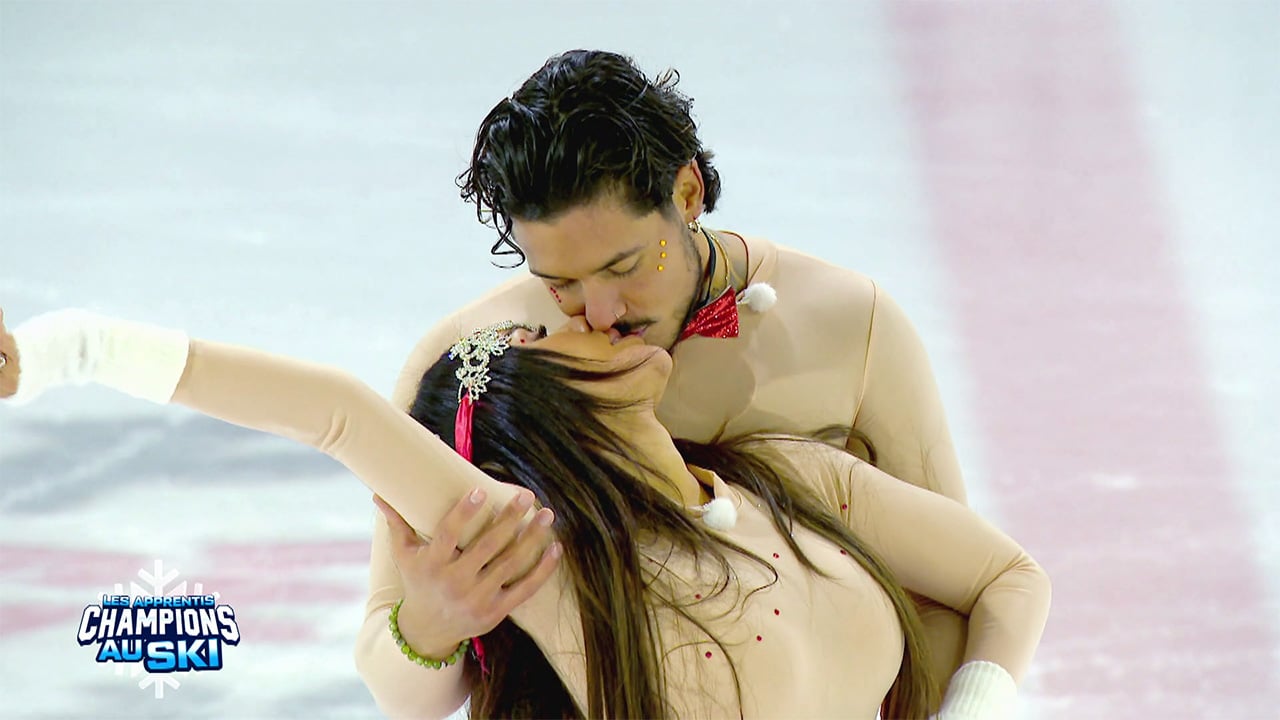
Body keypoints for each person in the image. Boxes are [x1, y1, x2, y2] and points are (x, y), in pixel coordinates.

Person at [0, 307, 1050, 719]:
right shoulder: (555, 568)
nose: (598, 317)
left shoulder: (792, 479)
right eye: (559, 333)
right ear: (541, 413)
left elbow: (1008, 581)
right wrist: (69, 349)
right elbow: (336, 414)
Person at [372, 48, 976, 710]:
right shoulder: (477, 370)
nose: (600, 313)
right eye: (561, 284)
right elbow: (400, 690)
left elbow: (956, 588)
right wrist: (433, 624)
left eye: (626, 265)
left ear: (686, 194)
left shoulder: (850, 326)